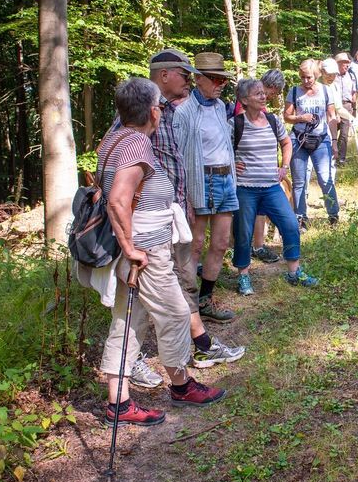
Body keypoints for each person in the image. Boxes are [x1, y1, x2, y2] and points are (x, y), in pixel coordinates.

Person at [97, 77, 226, 425]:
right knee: (175, 313)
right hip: (145, 251)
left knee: (128, 321)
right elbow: (117, 199)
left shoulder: (113, 140)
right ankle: (182, 385)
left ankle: (118, 403)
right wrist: (131, 248)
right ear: (153, 111)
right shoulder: (136, 145)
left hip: (135, 248)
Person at [116, 49, 244, 386]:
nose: (188, 79)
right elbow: (120, 166)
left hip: (169, 214)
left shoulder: (170, 111)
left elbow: (174, 162)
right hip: (145, 223)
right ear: (163, 76)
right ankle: (142, 362)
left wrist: (181, 202)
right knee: (146, 296)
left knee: (176, 283)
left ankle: (191, 350)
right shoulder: (141, 111)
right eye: (183, 73)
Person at [230, 78, 319, 296]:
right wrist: (232, 162)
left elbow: (286, 142)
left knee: (290, 225)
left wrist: (284, 166)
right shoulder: (235, 124)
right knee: (244, 233)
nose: (263, 96)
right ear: (244, 99)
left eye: (263, 93)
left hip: (271, 187)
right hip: (245, 188)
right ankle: (243, 276)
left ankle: (294, 272)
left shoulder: (272, 120)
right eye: (257, 94)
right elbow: (222, 149)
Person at [172, 52, 240, 323]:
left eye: (222, 80)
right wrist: (183, 193)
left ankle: (205, 301)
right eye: (214, 79)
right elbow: (177, 154)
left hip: (225, 180)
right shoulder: (184, 111)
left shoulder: (221, 106)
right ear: (198, 79)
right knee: (195, 244)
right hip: (200, 181)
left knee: (221, 242)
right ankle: (185, 306)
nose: (220, 84)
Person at [284, 58, 340, 228]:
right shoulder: (294, 92)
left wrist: (334, 141)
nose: (306, 81)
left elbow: (331, 116)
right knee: (299, 181)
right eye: (302, 77)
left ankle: (333, 215)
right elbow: (286, 116)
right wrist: (300, 118)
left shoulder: (325, 91)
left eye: (309, 77)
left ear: (316, 75)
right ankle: (300, 218)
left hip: (321, 140)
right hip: (299, 140)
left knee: (325, 178)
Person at [250, 68, 287, 263]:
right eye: (275, 93)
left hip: (263, 168)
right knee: (256, 208)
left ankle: (256, 245)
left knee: (260, 209)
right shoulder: (251, 100)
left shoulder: (258, 102)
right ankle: (255, 246)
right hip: (252, 169)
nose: (271, 97)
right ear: (272, 87)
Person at [331, 52, 358, 165]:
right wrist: (336, 113)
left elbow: (354, 92)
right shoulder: (332, 76)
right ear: (337, 63)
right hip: (334, 107)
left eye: (348, 63)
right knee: (331, 133)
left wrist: (354, 109)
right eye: (344, 63)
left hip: (348, 106)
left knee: (344, 134)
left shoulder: (351, 75)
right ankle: (330, 155)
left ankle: (341, 158)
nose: (347, 65)